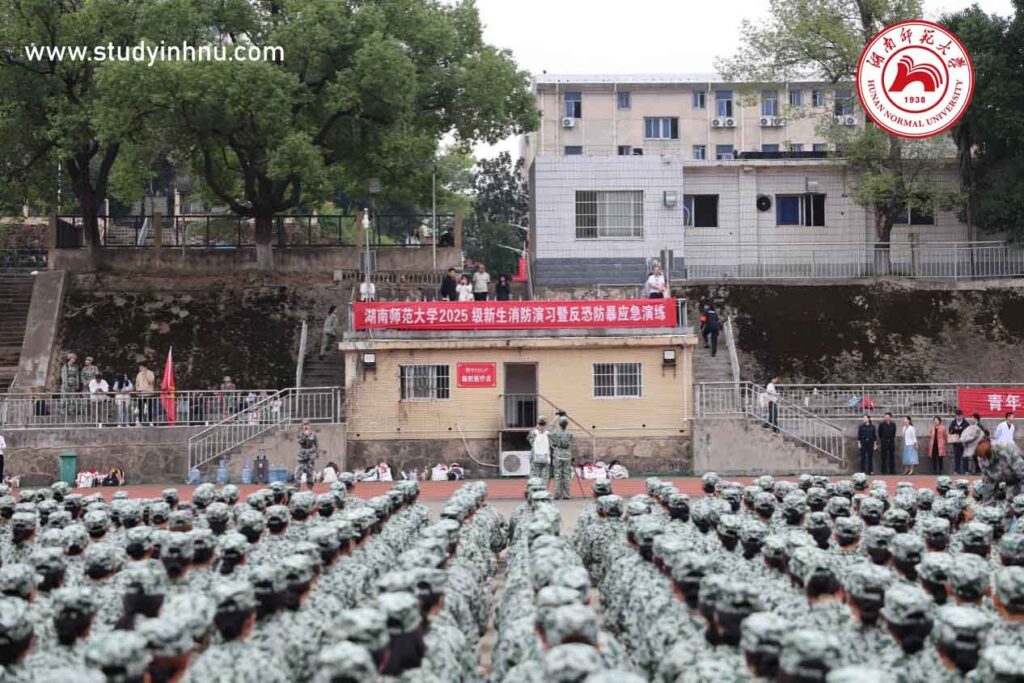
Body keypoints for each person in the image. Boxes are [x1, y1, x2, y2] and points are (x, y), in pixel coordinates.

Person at [549, 415, 575, 500]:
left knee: (557, 475)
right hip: (567, 455)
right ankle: (567, 495)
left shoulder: (555, 433)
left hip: (558, 455)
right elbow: (571, 443)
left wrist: (555, 418)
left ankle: (557, 494)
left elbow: (550, 431)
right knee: (566, 476)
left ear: (559, 424)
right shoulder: (570, 434)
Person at [527, 416, 551, 481]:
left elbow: (529, 439)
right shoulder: (548, 433)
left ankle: (534, 488)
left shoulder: (534, 432)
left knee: (536, 475)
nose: (542, 426)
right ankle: (538, 488)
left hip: (540, 457)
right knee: (540, 475)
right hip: (539, 456)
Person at [296, 421, 318, 491]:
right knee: (299, 471)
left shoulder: (313, 434)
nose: (306, 426)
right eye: (304, 425)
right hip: (302, 454)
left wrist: (317, 453)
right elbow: (300, 442)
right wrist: (305, 435)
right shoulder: (300, 434)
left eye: (307, 425)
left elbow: (316, 443)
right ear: (302, 426)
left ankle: (310, 488)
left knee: (310, 472)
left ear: (310, 426)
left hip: (310, 454)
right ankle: (297, 487)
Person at [949, 409, 969, 475]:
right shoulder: (953, 422)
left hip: (964, 442)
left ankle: (966, 470)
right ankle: (957, 470)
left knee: (965, 457)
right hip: (956, 442)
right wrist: (955, 429)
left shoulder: (966, 423)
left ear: (962, 416)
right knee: (956, 456)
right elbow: (950, 430)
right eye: (957, 416)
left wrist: (960, 428)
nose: (958, 417)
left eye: (959, 416)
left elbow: (967, 430)